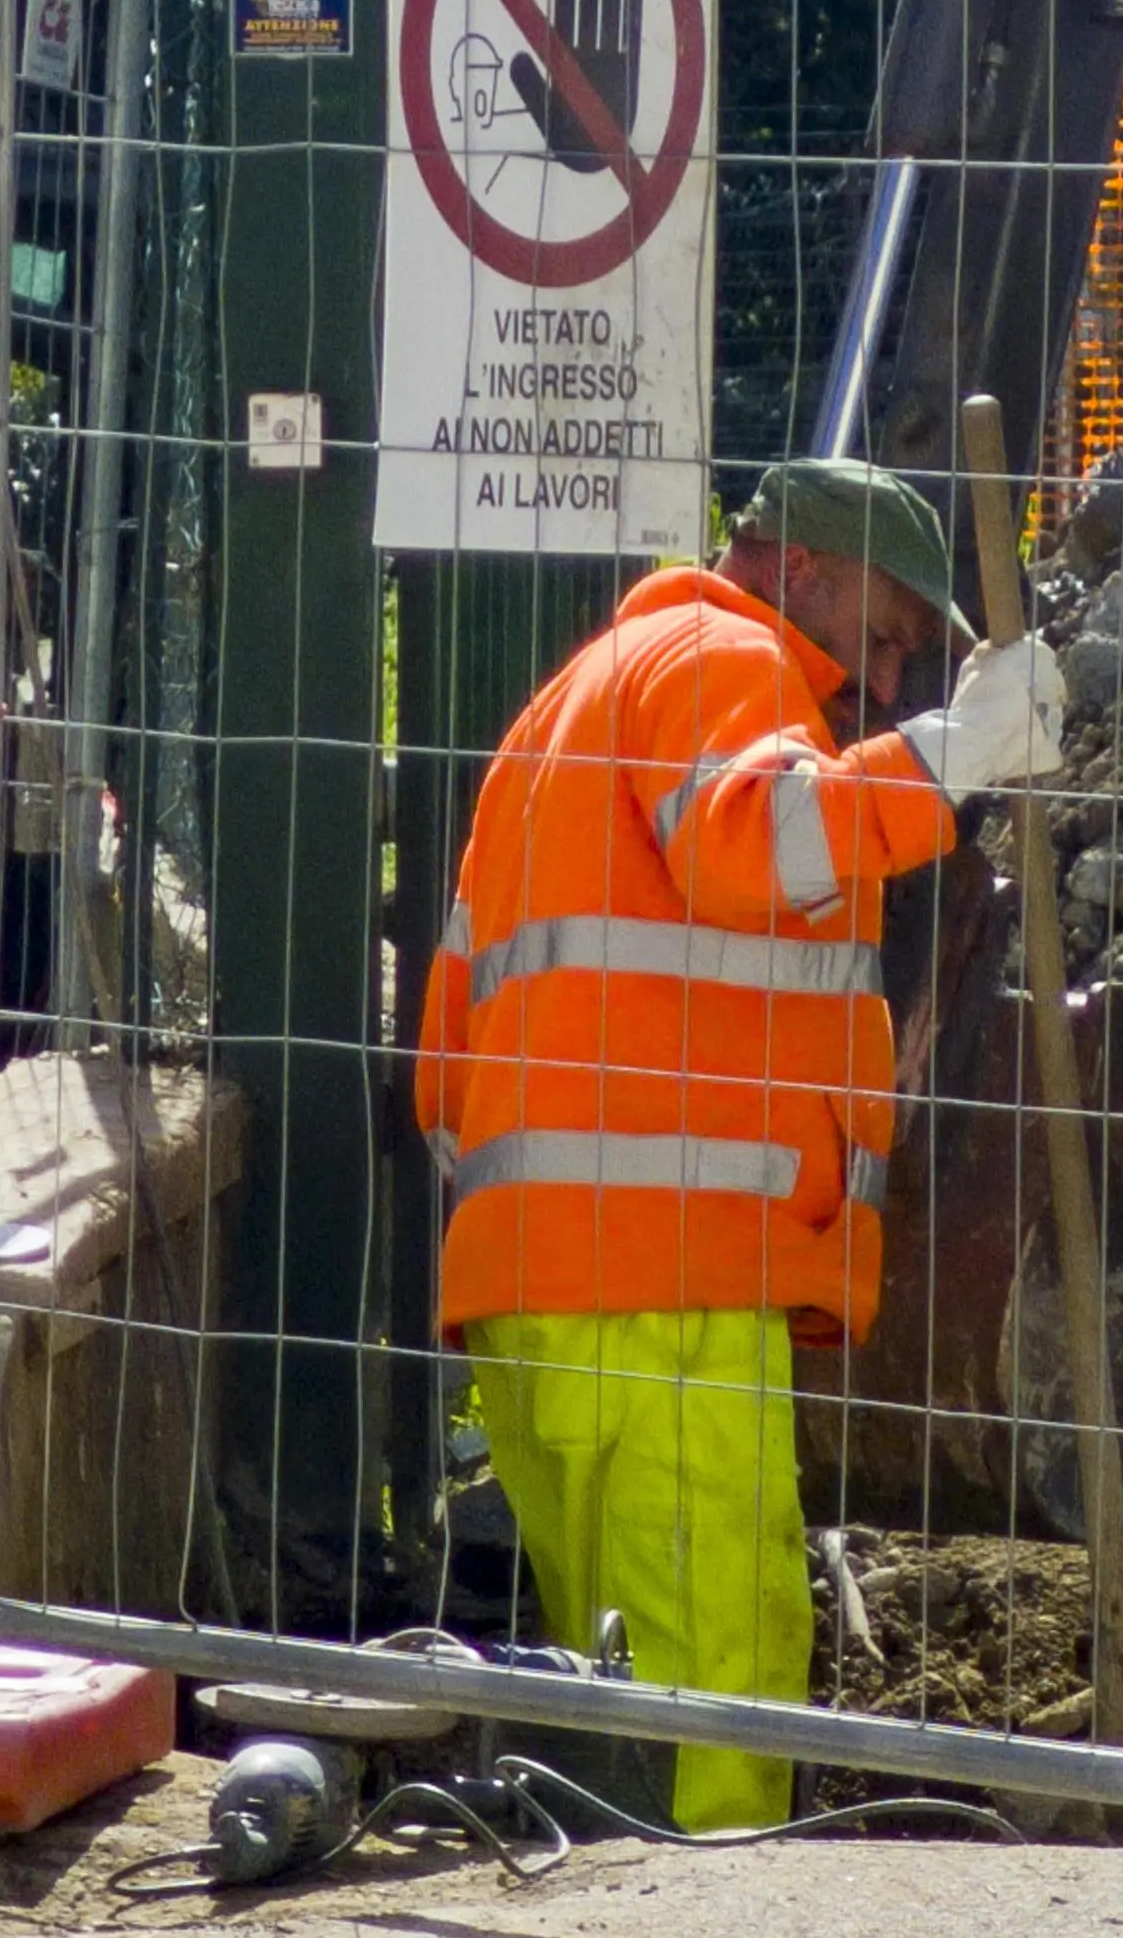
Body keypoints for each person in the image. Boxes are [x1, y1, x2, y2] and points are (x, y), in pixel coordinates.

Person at [413, 457, 1065, 1830]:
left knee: (610, 1700)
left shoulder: (564, 707)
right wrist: (956, 757)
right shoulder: (725, 658)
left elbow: (447, 1053)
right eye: (883, 637)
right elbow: (759, 840)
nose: (883, 685)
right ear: (799, 571)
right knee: (719, 1680)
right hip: (663, 1296)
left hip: (540, 1294)